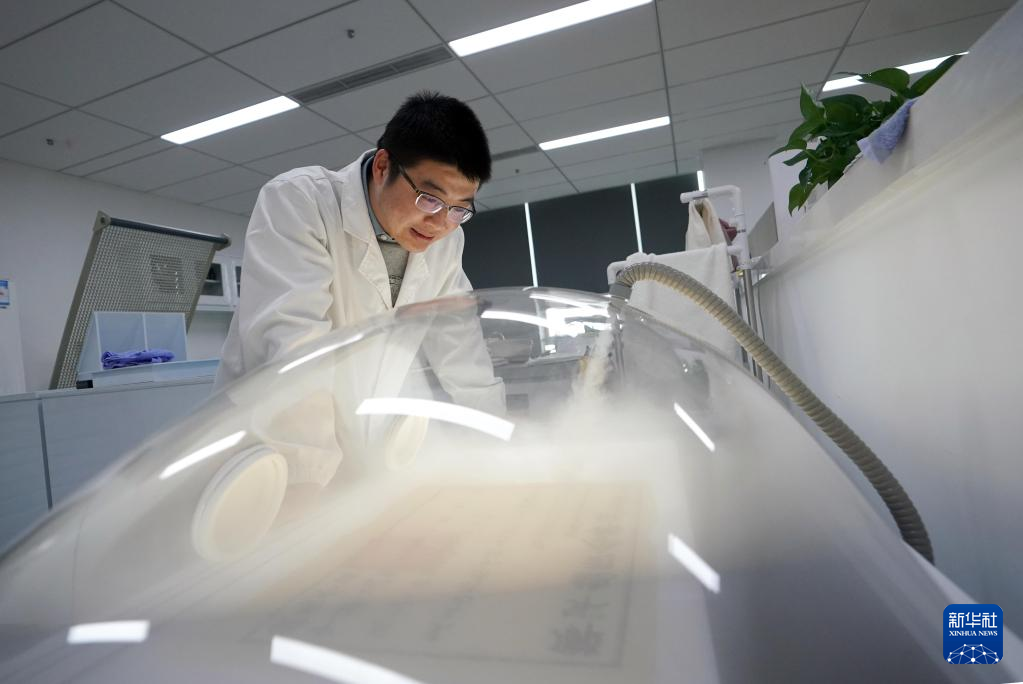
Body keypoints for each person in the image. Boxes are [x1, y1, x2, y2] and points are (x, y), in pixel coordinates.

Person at [214, 91, 494, 392]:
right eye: (429, 199)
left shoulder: (447, 240)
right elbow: (293, 351)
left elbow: (463, 350)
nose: (440, 224)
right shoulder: (300, 201)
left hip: (369, 414)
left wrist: (499, 418)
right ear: (383, 166)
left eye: (460, 209)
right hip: (277, 414)